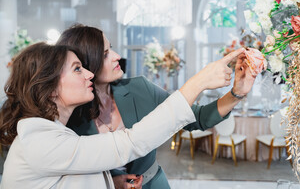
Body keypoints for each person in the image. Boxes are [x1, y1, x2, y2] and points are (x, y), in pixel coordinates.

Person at [0, 42, 246, 189]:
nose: (88, 74)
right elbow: (129, 143)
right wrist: (199, 81)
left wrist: (111, 183)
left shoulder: (46, 133)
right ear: (50, 87)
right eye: (77, 69)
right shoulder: (39, 140)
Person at [57, 25, 257, 189]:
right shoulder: (68, 117)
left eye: (112, 48)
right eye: (106, 54)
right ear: (86, 64)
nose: (117, 56)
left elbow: (198, 118)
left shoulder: (139, 88)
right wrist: (108, 183)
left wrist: (237, 92)